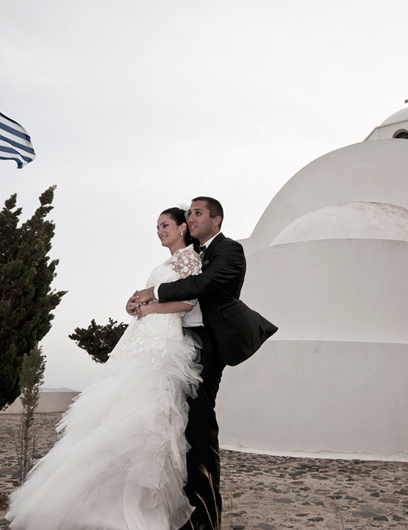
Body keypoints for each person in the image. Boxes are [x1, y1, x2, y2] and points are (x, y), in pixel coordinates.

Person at [6, 207, 204, 530]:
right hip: (142, 336)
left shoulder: (188, 259)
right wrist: (134, 305)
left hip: (163, 339)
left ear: (183, 227)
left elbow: (188, 302)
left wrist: (151, 306)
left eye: (165, 225)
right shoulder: (164, 264)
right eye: (156, 227)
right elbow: (154, 298)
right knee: (118, 407)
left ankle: (139, 507)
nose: (159, 231)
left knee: (147, 413)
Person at [128, 197, 277, 530]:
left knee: (198, 425)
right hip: (182, 342)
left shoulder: (229, 251)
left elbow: (202, 285)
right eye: (190, 214)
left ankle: (206, 515)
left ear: (217, 219)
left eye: (197, 213)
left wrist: (152, 292)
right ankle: (175, 506)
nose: (191, 218)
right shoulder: (192, 252)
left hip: (207, 344)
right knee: (173, 424)